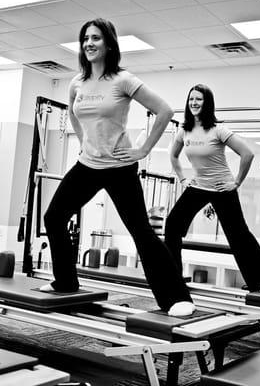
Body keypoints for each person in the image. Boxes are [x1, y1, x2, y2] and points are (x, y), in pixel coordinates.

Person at [41, 18, 195, 316]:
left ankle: (176, 297)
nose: (89, 43)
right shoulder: (77, 83)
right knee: (54, 217)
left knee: (141, 232)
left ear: (109, 44)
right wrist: (85, 140)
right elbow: (75, 114)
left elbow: (164, 110)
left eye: (96, 38)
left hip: (119, 167)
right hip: (87, 165)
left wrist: (143, 149)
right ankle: (65, 282)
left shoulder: (122, 79)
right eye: (85, 38)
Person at [165, 84, 260, 293]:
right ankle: (173, 276)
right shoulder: (184, 130)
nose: (194, 103)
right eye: (191, 99)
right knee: (173, 224)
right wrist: (183, 179)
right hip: (198, 187)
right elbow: (173, 155)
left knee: (238, 236)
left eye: (199, 99)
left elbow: (247, 154)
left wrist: (236, 182)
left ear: (207, 103)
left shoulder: (218, 129)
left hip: (222, 189)